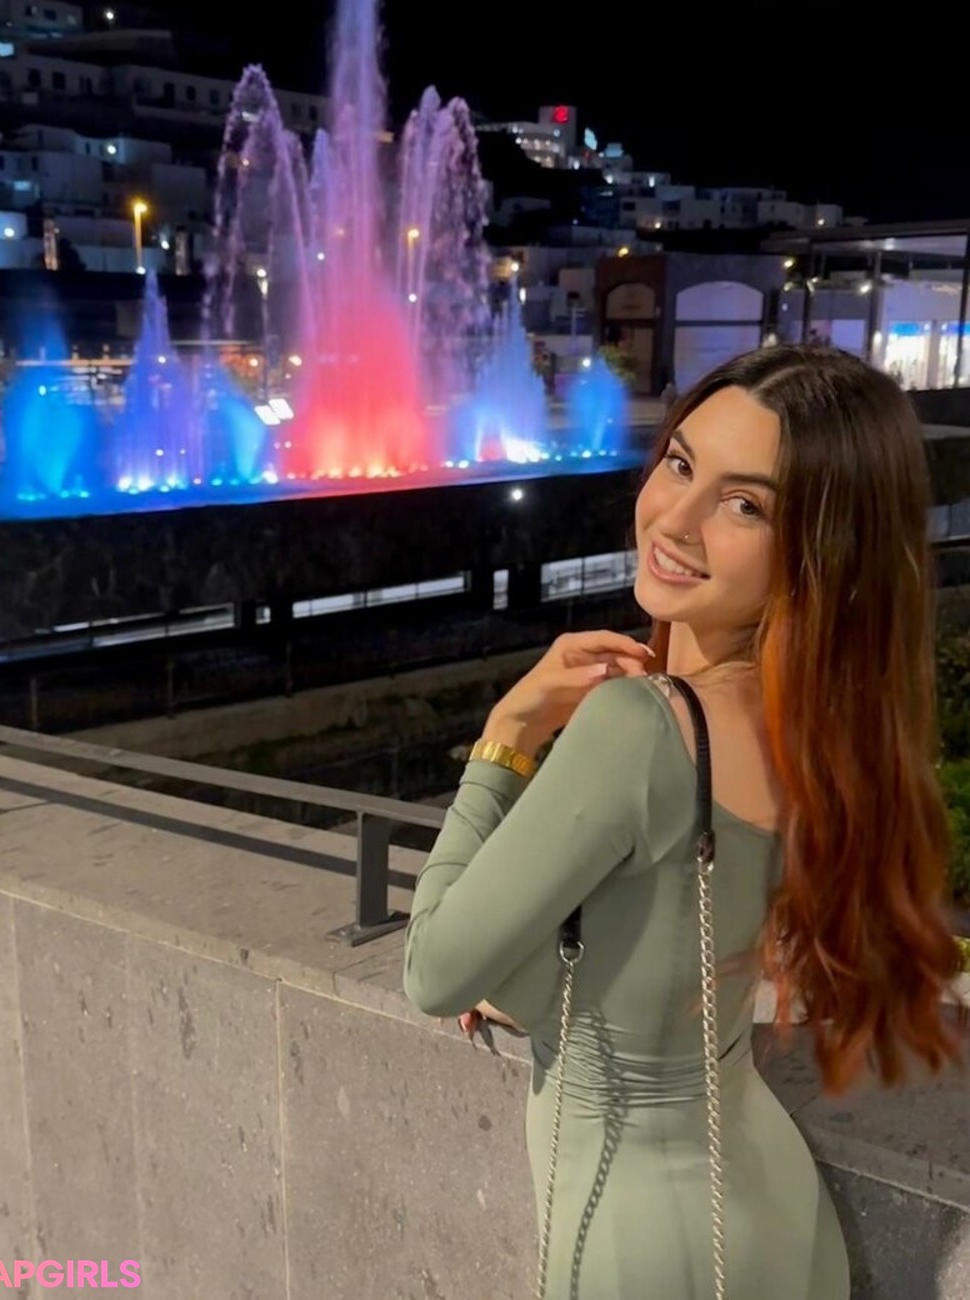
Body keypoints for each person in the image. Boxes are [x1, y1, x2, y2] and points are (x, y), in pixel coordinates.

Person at [403, 343, 965, 1299]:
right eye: (680, 464)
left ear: (820, 551)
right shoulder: (825, 729)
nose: (676, 517)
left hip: (639, 1231)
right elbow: (662, 965)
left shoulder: (642, 729)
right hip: (771, 1200)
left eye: (745, 505)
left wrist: (508, 734)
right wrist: (520, 983)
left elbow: (432, 968)